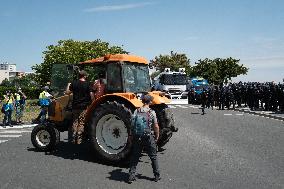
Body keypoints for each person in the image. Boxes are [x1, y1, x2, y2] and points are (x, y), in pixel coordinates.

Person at [128, 94, 161, 183]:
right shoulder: (151, 112)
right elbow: (156, 126)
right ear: (149, 102)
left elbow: (132, 124)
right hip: (148, 137)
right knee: (153, 156)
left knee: (135, 156)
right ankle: (157, 175)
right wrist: (157, 135)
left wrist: (131, 136)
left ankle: (131, 175)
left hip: (137, 136)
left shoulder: (136, 110)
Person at [65, 70, 93, 144]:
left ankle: (73, 138)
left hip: (75, 106)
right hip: (83, 107)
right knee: (81, 123)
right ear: (84, 76)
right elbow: (91, 95)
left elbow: (67, 92)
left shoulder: (74, 83)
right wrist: (92, 102)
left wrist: (68, 84)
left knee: (75, 122)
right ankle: (79, 139)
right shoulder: (87, 84)